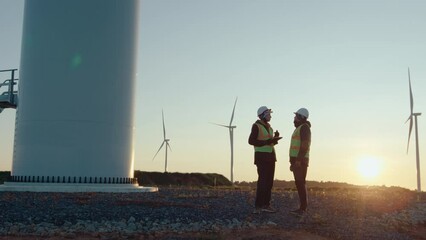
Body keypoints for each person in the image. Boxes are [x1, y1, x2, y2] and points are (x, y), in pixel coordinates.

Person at [248, 106, 281, 214]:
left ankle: (266, 205)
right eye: (268, 114)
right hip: (261, 157)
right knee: (262, 182)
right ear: (263, 115)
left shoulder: (269, 128)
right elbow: (251, 141)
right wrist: (267, 142)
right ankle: (258, 206)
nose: (270, 116)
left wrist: (275, 138)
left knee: (269, 182)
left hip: (271, 156)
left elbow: (269, 142)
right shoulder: (256, 126)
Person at [289, 108, 311, 215]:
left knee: (300, 182)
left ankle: (302, 208)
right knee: (300, 183)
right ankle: (302, 207)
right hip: (298, 160)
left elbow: (304, 145)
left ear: (301, 117)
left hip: (300, 161)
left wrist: (298, 160)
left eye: (296, 116)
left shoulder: (304, 128)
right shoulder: (300, 128)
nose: (294, 118)